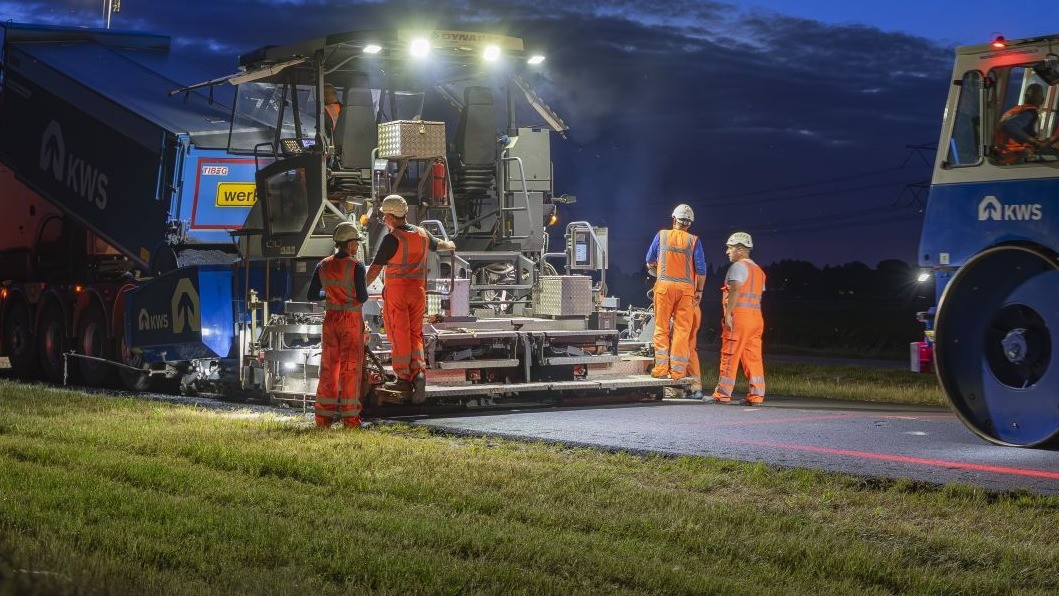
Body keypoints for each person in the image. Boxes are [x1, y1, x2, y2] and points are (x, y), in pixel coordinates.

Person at [366, 195, 456, 402]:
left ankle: (403, 378)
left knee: (399, 335)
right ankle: (419, 373)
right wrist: (450, 245)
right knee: (415, 335)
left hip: (398, 292)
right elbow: (440, 244)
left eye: (384, 216)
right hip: (418, 292)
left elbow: (375, 269)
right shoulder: (422, 234)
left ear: (389, 216)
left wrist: (360, 290)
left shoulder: (392, 239)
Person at [306, 221, 369, 428]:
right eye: (356, 243)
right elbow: (363, 296)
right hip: (350, 321)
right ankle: (350, 420)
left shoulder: (322, 265)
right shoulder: (356, 266)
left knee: (329, 368)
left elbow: (312, 295)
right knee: (350, 369)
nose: (357, 246)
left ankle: (323, 419)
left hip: (331, 320)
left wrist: (331, 296)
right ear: (349, 243)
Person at [645, 204, 707, 382]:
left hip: (664, 289)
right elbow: (701, 270)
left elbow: (649, 261)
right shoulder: (694, 241)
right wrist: (699, 290)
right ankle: (678, 373)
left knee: (661, 328)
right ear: (689, 224)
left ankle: (661, 368)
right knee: (682, 331)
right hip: (686, 292)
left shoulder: (662, 235)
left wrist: (660, 273)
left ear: (674, 219)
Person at [712, 232, 766, 405]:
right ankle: (757, 396)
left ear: (741, 250)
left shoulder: (737, 267)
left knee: (730, 356)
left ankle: (722, 395)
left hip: (739, 318)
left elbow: (735, 289)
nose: (727, 251)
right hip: (756, 319)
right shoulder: (759, 271)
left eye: (730, 248)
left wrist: (728, 313)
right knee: (753, 358)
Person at [994, 83, 1053, 164]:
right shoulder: (1030, 112)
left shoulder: (1016, 110)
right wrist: (1035, 142)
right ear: (1042, 100)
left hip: (1003, 153)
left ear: (1026, 97)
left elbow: (1024, 129)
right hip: (1015, 157)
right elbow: (1009, 126)